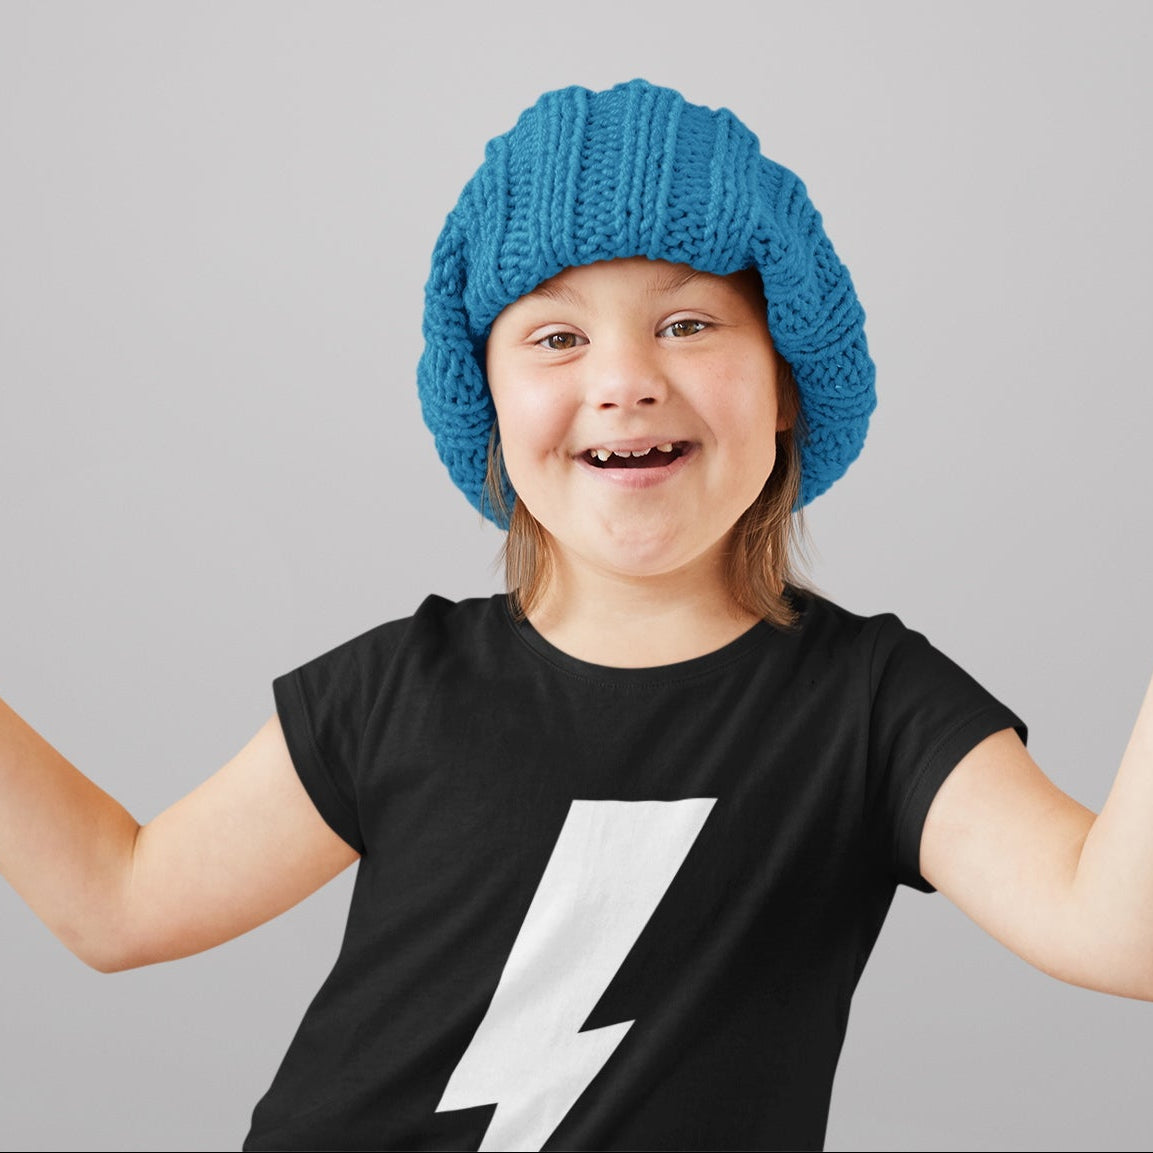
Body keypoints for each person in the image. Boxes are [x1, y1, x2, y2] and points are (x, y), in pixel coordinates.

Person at [1, 78, 1150, 1152]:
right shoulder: (399, 688)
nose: (623, 379)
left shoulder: (876, 708)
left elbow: (1116, 928)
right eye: (555, 336)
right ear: (486, 401)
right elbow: (117, 898)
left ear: (789, 376)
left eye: (688, 324)